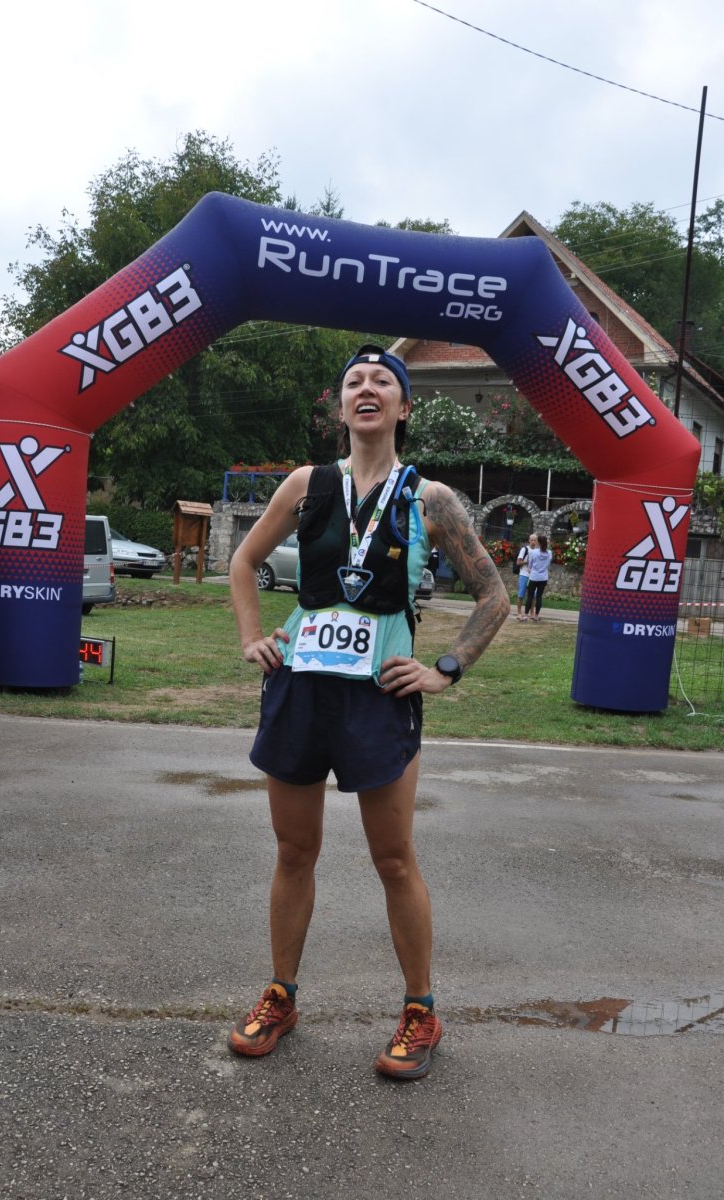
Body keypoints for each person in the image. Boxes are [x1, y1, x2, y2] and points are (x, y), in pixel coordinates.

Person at [227, 344, 509, 1080]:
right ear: (341, 405)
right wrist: (253, 637)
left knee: (393, 858)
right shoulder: (306, 484)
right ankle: (281, 996)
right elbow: (243, 561)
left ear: (403, 407)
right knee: (293, 852)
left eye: (383, 380)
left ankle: (420, 1010)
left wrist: (444, 670)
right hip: (300, 690)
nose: (367, 388)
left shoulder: (430, 499)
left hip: (381, 697)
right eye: (354, 381)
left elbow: (493, 594)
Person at [524, 534, 553, 621]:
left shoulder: (534, 552)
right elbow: (548, 564)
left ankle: (525, 615)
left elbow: (530, 564)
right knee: (539, 597)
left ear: (538, 543)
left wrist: (531, 569)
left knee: (530, 596)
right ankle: (536, 615)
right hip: (543, 577)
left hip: (534, 577)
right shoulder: (549, 553)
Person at [515, 533, 538, 622]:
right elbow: (518, 562)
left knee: (533, 596)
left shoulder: (537, 551)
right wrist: (527, 561)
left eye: (534, 540)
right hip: (524, 575)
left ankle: (532, 614)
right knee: (521, 594)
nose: (533, 542)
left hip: (533, 576)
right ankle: (519, 613)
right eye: (531, 540)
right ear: (529, 540)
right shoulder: (524, 549)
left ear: (536, 541)